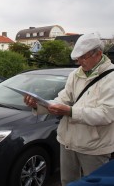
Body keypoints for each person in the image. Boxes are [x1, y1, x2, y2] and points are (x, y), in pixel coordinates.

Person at [24, 33, 114, 186]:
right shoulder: (75, 74)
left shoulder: (111, 78)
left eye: (83, 57)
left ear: (98, 53)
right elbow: (62, 99)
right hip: (68, 141)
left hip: (94, 146)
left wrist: (70, 111)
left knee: (95, 183)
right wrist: (37, 104)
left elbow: (106, 114)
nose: (79, 62)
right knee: (67, 182)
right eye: (77, 58)